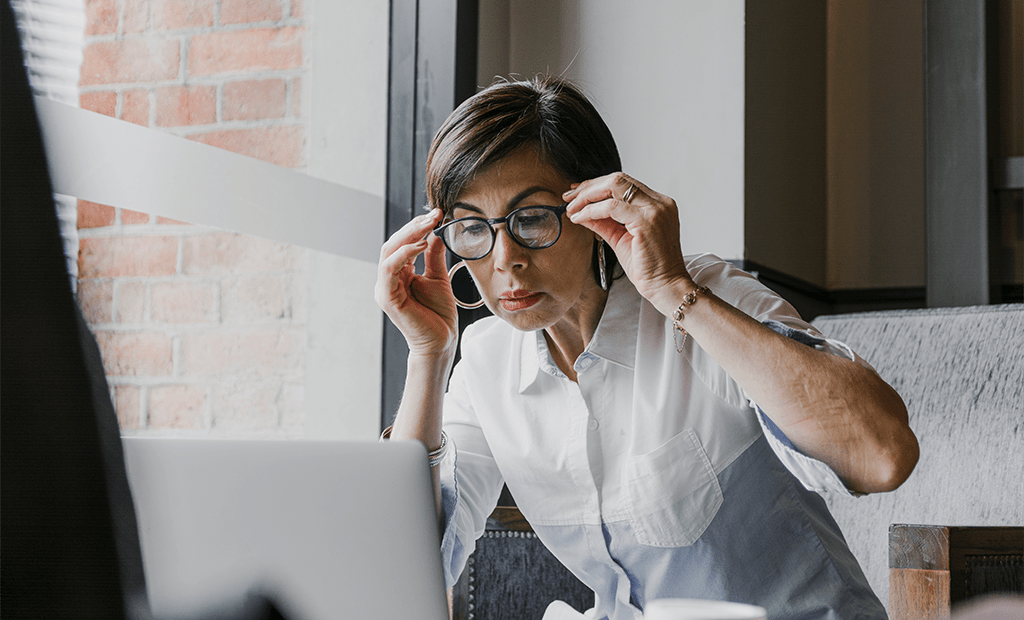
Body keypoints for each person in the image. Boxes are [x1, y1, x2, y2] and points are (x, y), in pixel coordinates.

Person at [375, 76, 919, 620]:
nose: (505, 260)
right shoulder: (488, 363)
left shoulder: (706, 298)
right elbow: (406, 570)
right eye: (473, 228)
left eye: (533, 218)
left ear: (593, 205)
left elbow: (882, 458)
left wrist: (678, 293)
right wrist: (428, 355)